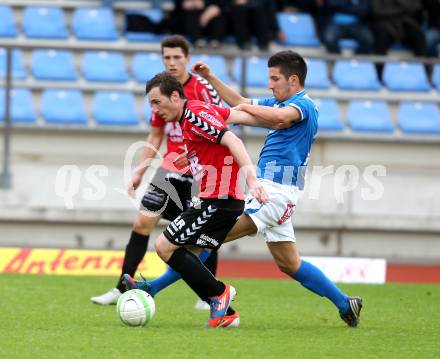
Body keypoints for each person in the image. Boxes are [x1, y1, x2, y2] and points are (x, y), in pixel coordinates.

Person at [128, 50, 363, 327]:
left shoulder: (303, 106)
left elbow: (276, 118)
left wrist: (239, 114)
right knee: (290, 264)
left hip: (273, 192)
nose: (270, 84)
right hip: (276, 196)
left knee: (197, 242)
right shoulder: (278, 104)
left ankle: (162, 289)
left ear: (294, 79)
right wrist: (212, 80)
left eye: (275, 78)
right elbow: (239, 106)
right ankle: (345, 303)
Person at [125, 71, 267, 328]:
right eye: (151, 105)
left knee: (164, 246)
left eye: (157, 102)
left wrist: (252, 179)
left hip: (219, 199)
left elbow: (232, 138)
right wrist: (190, 158)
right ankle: (227, 313)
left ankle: (219, 293)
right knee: (188, 254)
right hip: (216, 199)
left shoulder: (195, 114)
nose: (155, 110)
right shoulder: (195, 114)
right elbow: (238, 117)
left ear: (176, 96)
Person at [90, 35, 223, 309]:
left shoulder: (202, 89)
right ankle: (120, 287)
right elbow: (154, 136)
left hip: (201, 169)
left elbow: (219, 126)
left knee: (201, 231)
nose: (172, 62)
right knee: (142, 223)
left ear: (187, 58)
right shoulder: (160, 91)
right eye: (167, 57)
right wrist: (140, 170)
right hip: (171, 167)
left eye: (177, 57)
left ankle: (209, 292)